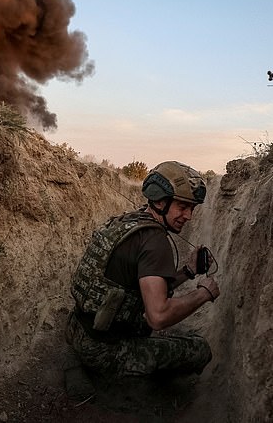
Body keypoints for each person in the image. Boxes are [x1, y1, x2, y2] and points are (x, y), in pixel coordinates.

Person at [64, 161, 220, 393]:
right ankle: (131, 386)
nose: (188, 216)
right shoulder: (155, 242)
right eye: (182, 206)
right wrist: (204, 293)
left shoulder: (128, 222)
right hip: (104, 350)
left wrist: (187, 272)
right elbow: (158, 316)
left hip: (76, 331)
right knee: (199, 350)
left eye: (192, 208)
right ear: (159, 201)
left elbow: (142, 288)